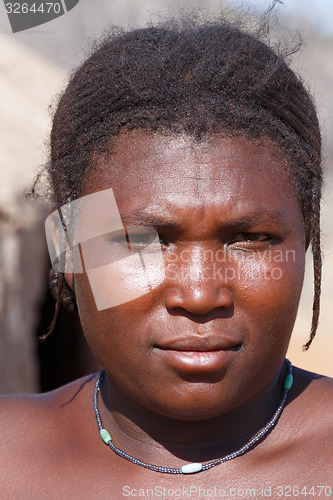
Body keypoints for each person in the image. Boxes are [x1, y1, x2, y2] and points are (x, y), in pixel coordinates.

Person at [0, 14, 332, 499]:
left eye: (250, 237)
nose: (199, 294)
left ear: (305, 241)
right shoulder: (10, 461)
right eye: (140, 240)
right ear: (66, 250)